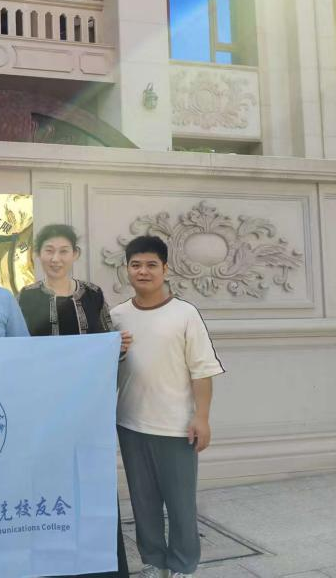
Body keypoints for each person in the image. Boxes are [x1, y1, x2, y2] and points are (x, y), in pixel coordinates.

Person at [18, 224, 131, 578]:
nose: (56, 258)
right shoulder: (27, 297)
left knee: (91, 476)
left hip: (88, 408)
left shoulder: (93, 294)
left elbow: (108, 339)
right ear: (38, 255)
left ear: (75, 255)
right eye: (49, 250)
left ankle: (100, 561)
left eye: (63, 251)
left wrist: (119, 346)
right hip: (44, 408)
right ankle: (51, 558)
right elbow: (18, 350)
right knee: (48, 477)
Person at [110, 236, 224, 578]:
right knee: (143, 503)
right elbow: (106, 369)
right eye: (135, 265)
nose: (142, 271)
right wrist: (116, 351)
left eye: (151, 265)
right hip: (130, 424)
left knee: (180, 504)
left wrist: (201, 417)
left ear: (165, 269)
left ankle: (183, 566)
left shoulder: (185, 314)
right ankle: (154, 562)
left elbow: (202, 371)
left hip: (176, 427)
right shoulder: (116, 316)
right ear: (127, 269)